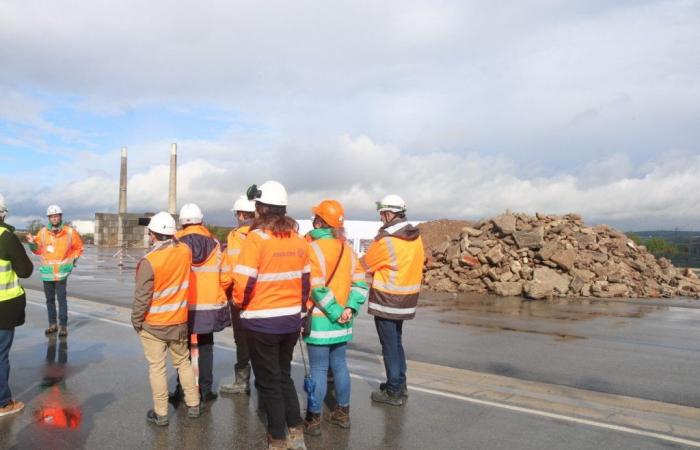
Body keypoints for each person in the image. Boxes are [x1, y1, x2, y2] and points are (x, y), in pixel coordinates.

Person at [233, 181, 309, 450]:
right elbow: (305, 282)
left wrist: (240, 305)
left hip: (262, 321)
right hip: (290, 321)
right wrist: (300, 313)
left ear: (261, 208)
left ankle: (277, 438)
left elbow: (243, 282)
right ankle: (295, 429)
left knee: (268, 381)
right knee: (283, 375)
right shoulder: (300, 241)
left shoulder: (256, 239)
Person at [302, 200, 368, 436]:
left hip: (321, 320)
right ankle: (343, 413)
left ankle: (314, 419)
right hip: (343, 321)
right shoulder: (348, 250)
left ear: (320, 221)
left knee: (319, 368)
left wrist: (335, 311)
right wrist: (349, 308)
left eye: (316, 217)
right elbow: (360, 284)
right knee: (340, 365)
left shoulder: (312, 248)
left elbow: (316, 288)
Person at [131, 212, 201, 426]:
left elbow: (142, 298)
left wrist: (136, 321)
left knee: (157, 368)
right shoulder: (185, 251)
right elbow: (177, 245)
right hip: (179, 321)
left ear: (152, 234)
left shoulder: (149, 261)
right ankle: (193, 404)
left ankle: (161, 413)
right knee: (183, 362)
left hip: (153, 325)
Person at [363, 194, 424, 406]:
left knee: (389, 346)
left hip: (387, 299)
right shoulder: (415, 236)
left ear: (389, 213)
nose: (381, 218)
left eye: (382, 214)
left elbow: (365, 264)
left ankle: (393, 391)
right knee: (396, 343)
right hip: (406, 299)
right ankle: (400, 383)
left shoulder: (387, 240)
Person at [169, 203, 231, 403]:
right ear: (201, 220)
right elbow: (225, 274)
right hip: (209, 305)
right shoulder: (214, 243)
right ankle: (206, 390)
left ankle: (181, 390)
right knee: (206, 346)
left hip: (182, 305)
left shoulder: (175, 243)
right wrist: (221, 293)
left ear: (182, 223)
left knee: (182, 349)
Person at [26, 205, 84, 337]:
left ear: (60, 216)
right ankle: (52, 324)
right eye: (51, 216)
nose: (54, 218)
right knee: (49, 300)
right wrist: (31, 243)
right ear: (49, 218)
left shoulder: (69, 232)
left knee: (62, 299)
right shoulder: (42, 233)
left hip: (62, 272)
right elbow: (37, 250)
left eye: (56, 216)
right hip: (47, 273)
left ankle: (63, 326)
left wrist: (71, 262)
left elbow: (79, 248)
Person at [0, 194, 33, 417]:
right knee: (1, 355)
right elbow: (25, 270)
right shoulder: (5, 238)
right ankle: (3, 402)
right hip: (3, 307)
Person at [220, 195, 256, 395]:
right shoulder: (265, 232)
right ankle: (264, 381)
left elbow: (228, 270)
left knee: (242, 340)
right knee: (260, 340)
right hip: (263, 298)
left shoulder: (235, 236)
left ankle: (242, 382)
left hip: (239, 296)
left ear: (242, 214)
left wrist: (224, 293)